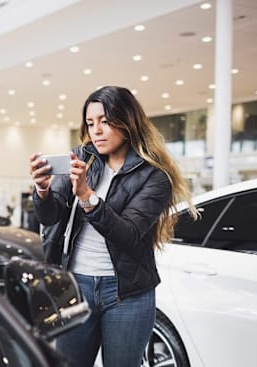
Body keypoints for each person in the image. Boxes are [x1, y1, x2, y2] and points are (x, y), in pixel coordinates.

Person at [28, 86, 197, 367]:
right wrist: (42, 190)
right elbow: (50, 217)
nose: (96, 130)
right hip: (77, 288)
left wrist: (87, 196)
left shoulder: (155, 177)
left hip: (128, 295)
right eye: (91, 123)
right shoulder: (81, 158)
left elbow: (129, 235)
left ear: (127, 120)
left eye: (105, 121)